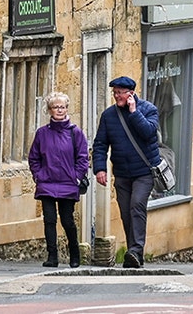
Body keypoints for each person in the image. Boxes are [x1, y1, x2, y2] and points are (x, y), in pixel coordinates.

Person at [92, 75, 161, 269]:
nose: (116, 96)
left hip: (144, 171)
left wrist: (133, 112)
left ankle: (135, 250)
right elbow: (100, 144)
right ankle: (134, 253)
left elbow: (149, 133)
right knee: (125, 212)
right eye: (114, 93)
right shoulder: (108, 116)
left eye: (120, 93)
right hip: (122, 172)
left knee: (136, 205)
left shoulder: (148, 110)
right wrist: (100, 169)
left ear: (131, 94)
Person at [28, 91, 90, 268]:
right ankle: (52, 256)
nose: (59, 110)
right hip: (46, 182)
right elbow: (33, 158)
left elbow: (83, 157)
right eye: (55, 107)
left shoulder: (75, 132)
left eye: (62, 107)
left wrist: (76, 177)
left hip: (67, 183)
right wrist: (38, 175)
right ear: (49, 110)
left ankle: (74, 254)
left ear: (67, 108)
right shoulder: (42, 134)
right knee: (49, 219)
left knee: (67, 220)